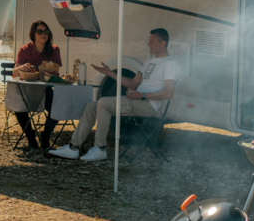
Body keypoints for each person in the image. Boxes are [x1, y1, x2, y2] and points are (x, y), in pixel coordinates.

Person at [49, 28, 178, 163]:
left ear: (162, 44)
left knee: (104, 103)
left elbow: (169, 92)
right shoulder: (149, 61)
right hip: (138, 100)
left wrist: (142, 95)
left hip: (150, 106)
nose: (148, 45)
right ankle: (73, 147)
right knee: (91, 106)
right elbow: (133, 83)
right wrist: (111, 74)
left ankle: (100, 148)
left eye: (152, 41)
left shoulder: (170, 64)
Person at [11, 21, 62, 150]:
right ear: (33, 34)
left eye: (46, 31)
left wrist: (51, 71)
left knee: (58, 107)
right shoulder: (25, 50)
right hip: (27, 89)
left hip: (45, 89)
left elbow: (56, 72)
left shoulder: (54, 49)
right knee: (18, 106)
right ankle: (31, 138)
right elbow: (14, 73)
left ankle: (45, 135)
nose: (43, 34)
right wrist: (22, 67)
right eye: (39, 31)